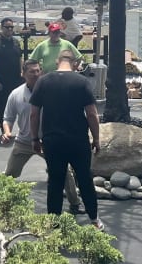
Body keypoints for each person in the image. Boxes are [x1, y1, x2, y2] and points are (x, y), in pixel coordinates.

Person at [29, 50, 103, 230]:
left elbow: (34, 114)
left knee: (55, 181)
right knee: (85, 179)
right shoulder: (82, 82)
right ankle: (94, 220)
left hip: (52, 140)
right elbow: (92, 114)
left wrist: (35, 139)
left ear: (57, 62)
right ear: (75, 63)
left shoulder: (43, 81)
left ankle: (53, 223)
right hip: (78, 140)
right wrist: (96, 139)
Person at [2, 59, 86, 215]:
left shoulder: (51, 91)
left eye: (38, 70)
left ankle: (75, 203)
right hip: (24, 141)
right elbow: (8, 118)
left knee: (65, 173)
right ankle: (0, 201)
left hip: (49, 141)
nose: (35, 74)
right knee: (9, 174)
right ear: (23, 74)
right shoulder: (16, 94)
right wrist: (7, 132)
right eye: (31, 71)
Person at [0, 17, 23, 137]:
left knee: (19, 104)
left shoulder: (16, 42)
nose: (9, 29)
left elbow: (20, 58)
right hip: (2, 79)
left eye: (11, 27)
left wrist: (22, 72)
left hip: (16, 79)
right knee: (3, 105)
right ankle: (4, 130)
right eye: (7, 27)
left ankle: (20, 129)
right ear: (2, 28)